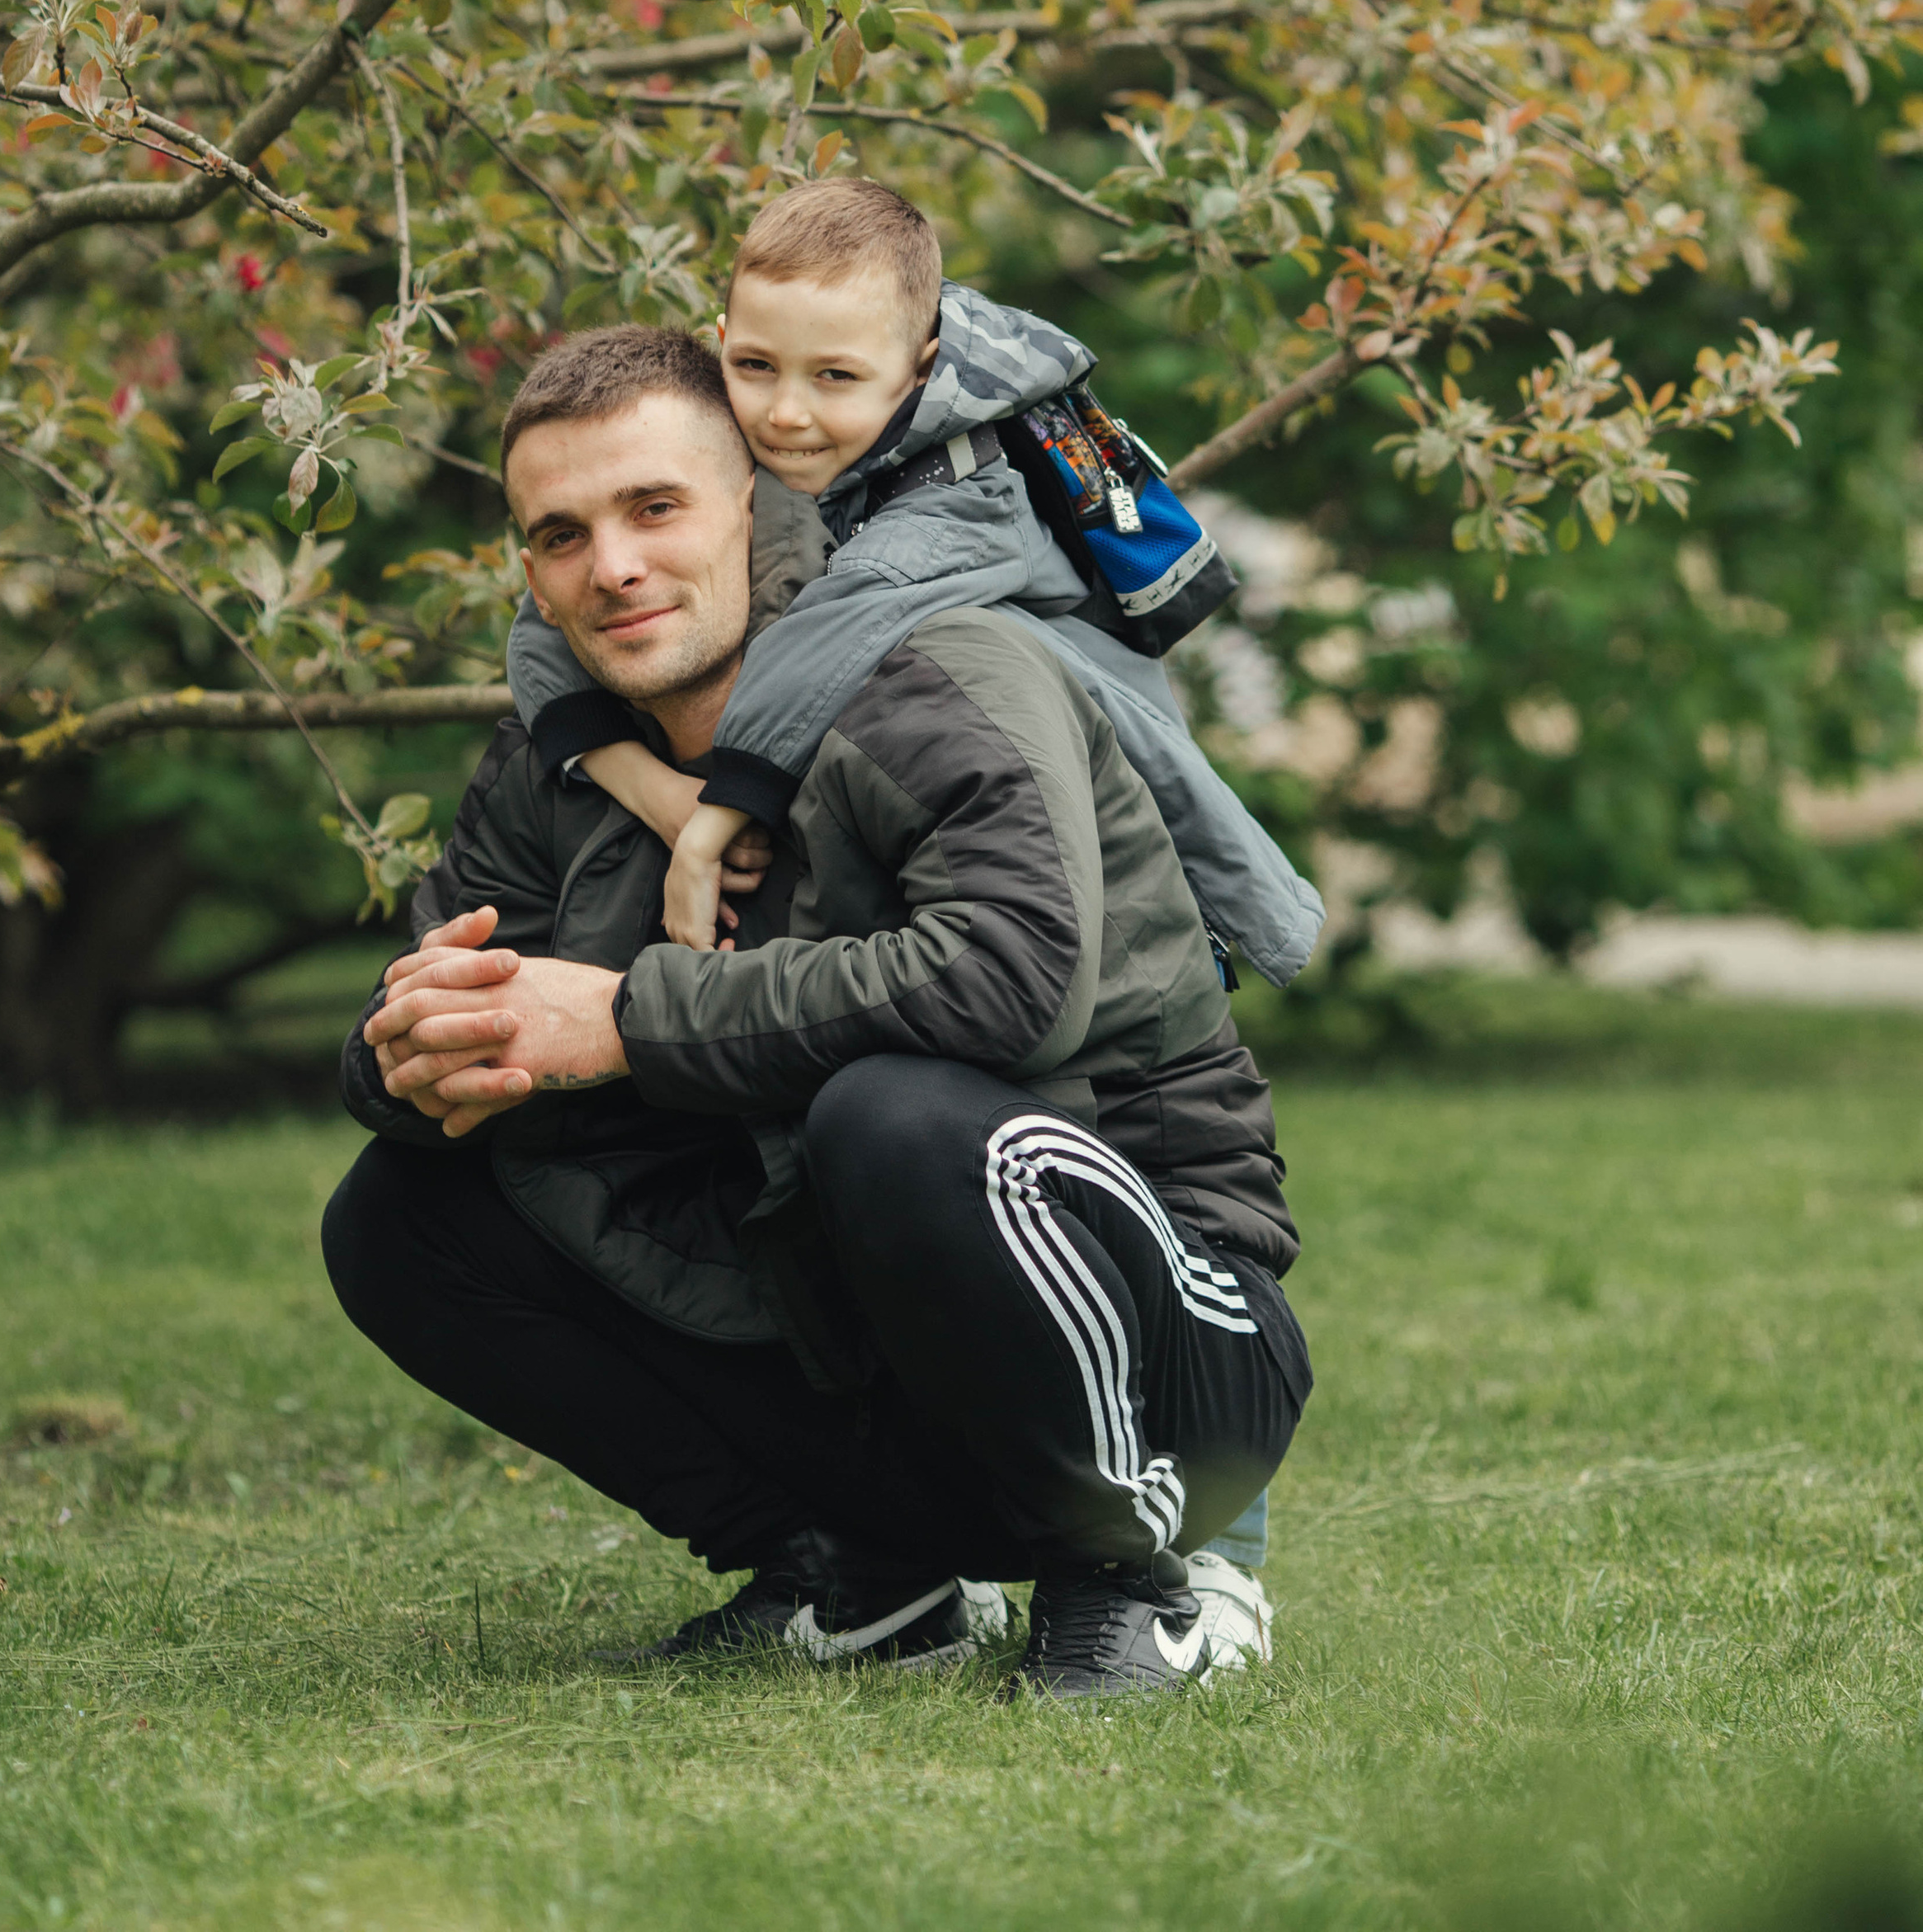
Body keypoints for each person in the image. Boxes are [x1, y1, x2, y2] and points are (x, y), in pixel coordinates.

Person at [323, 324, 1312, 1700]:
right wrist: (417, 1052)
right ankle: (864, 1577)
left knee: (896, 1116)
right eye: (560, 533)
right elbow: (430, 993)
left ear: (756, 502)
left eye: (653, 507)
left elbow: (1012, 985)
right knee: (400, 1216)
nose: (610, 567)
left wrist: (623, 1020)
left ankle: (1148, 1570)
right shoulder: (556, 764)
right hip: (864, 1336)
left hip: (1170, 1344)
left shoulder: (939, 673)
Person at [504, 181, 1322, 982]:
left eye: (834, 377)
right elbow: (549, 619)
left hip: (1071, 750)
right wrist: (646, 787)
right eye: (755, 364)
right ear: (725, 339)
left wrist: (711, 823)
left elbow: (840, 623)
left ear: (920, 367)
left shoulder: (970, 486)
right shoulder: (793, 435)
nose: (785, 412)